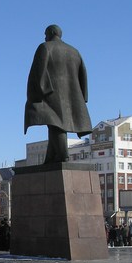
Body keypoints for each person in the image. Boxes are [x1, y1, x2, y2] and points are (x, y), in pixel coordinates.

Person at [24, 24, 92, 163]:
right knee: (55, 123)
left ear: (51, 32)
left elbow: (38, 71)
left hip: (51, 92)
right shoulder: (75, 52)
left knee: (56, 122)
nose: (44, 37)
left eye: (45, 33)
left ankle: (62, 155)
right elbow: (83, 75)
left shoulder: (45, 47)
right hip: (72, 96)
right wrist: (83, 96)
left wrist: (39, 91)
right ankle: (51, 157)